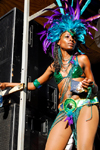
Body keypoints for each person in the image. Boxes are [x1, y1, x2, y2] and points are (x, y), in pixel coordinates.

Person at [0, 0, 100, 150]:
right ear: (58, 41)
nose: (71, 39)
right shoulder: (54, 67)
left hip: (85, 105)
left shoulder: (82, 59)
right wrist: (10, 85)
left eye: (73, 37)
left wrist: (91, 85)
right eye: (67, 36)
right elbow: (34, 84)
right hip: (64, 110)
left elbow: (95, 87)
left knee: (85, 148)